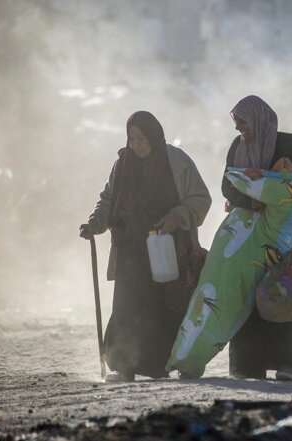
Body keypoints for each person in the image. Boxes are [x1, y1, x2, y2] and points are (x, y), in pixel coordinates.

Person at [79, 111, 211, 382]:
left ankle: (161, 366)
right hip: (129, 250)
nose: (136, 145)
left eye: (141, 139)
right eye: (131, 139)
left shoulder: (176, 161)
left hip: (166, 250)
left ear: (154, 136)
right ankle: (124, 366)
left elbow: (200, 198)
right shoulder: (122, 165)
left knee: (163, 309)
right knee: (127, 308)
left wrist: (178, 217)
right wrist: (94, 224)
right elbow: (107, 200)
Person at [223, 95, 292, 381]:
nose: (238, 129)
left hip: (281, 235)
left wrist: (289, 171)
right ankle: (246, 365)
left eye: (242, 122)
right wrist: (251, 200)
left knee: (280, 292)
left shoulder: (290, 144)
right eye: (236, 123)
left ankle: (284, 364)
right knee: (246, 296)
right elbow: (228, 183)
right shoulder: (237, 147)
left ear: (258, 118)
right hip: (247, 234)